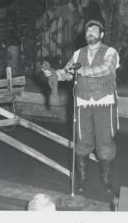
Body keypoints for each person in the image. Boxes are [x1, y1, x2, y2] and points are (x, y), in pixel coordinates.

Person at [43, 13, 120, 196]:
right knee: (82, 143)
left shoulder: (110, 52)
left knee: (104, 145)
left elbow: (106, 69)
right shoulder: (78, 54)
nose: (90, 32)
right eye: (88, 29)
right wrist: (54, 74)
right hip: (82, 103)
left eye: (95, 30)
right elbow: (68, 73)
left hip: (104, 103)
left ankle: (106, 180)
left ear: (101, 34)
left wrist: (82, 70)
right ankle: (82, 180)